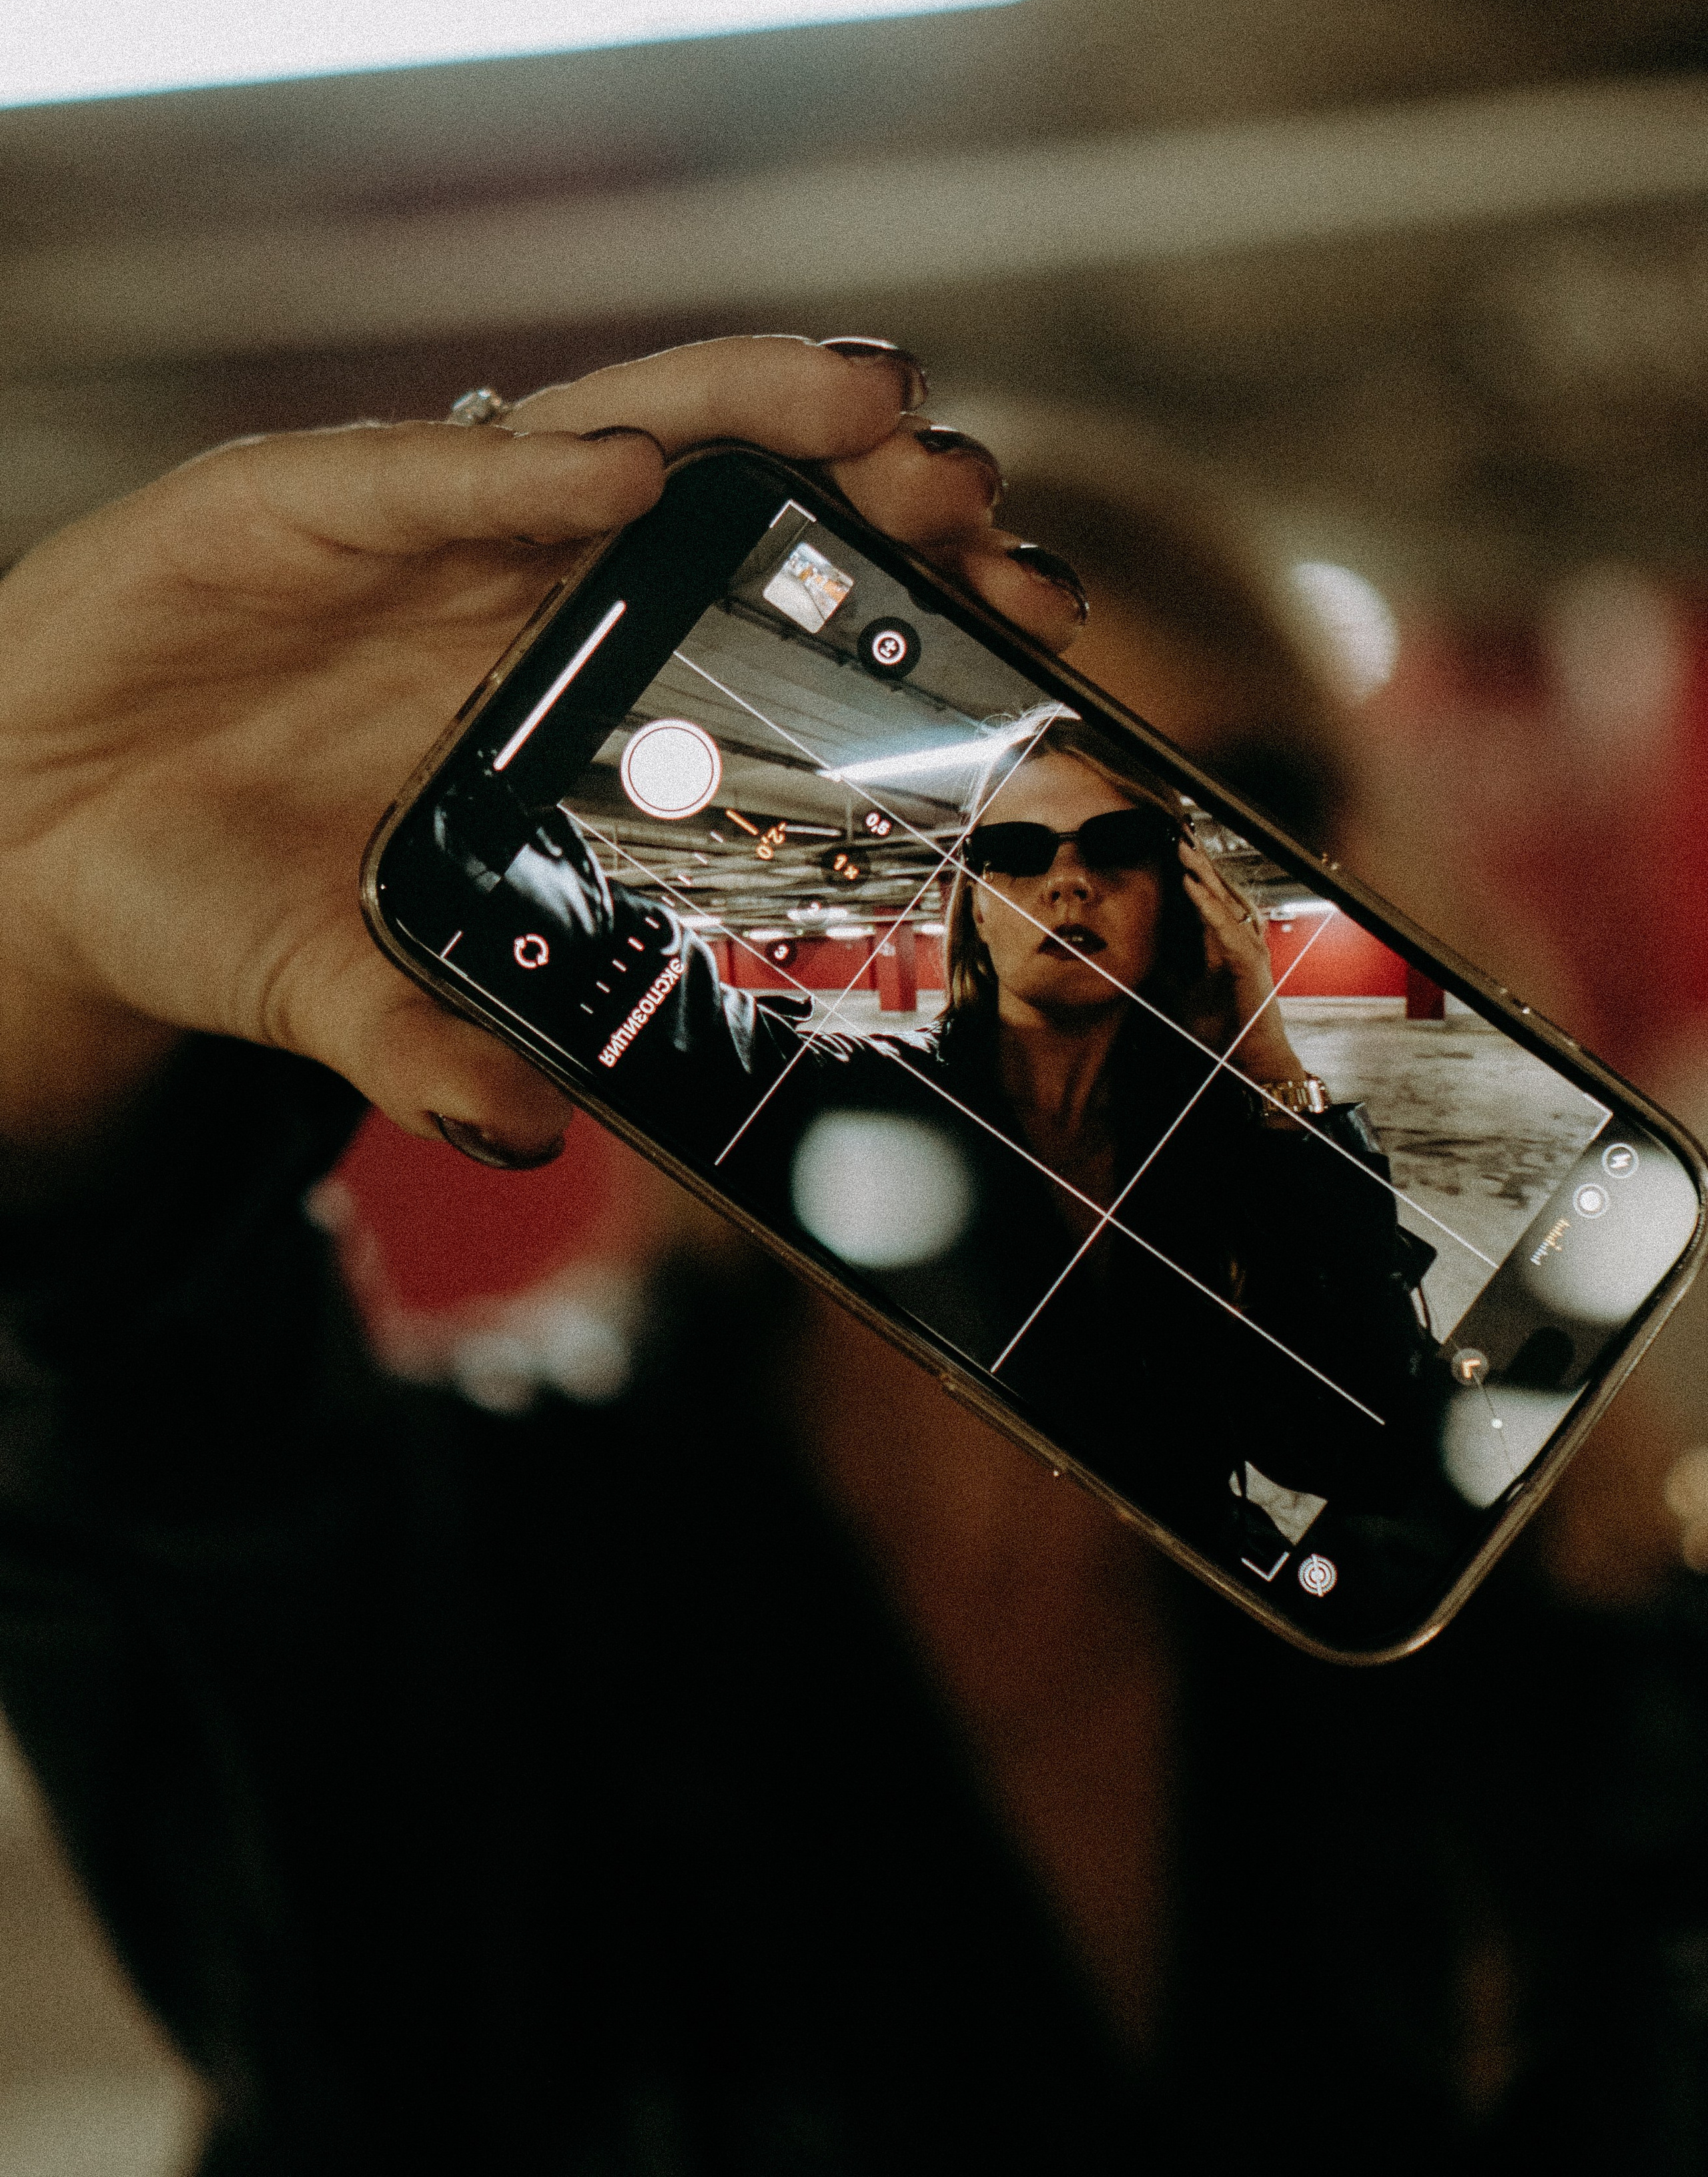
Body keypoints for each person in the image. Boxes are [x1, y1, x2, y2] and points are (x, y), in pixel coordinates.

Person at [3, 335, 1707, 2176]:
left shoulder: (1551, 1676)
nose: (1094, 931)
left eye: (1192, 813)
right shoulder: (490, 1579)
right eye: (950, 840)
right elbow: (152, 1423)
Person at [436, 703, 1438, 1545]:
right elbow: (649, 997)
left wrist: (1268, 1067)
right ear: (975, 906)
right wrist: (460, 819)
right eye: (1017, 852)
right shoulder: (865, 1103)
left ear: (1183, 898)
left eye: (1120, 848)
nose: (1069, 881)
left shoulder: (1229, 1156)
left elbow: (1353, 1444)